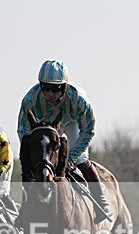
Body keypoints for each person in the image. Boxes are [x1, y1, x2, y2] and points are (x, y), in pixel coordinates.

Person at [17, 60, 113, 223]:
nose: (49, 93)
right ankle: (25, 210)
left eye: (55, 89)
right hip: (43, 127)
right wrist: (34, 155)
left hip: (71, 124)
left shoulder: (79, 100)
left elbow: (88, 130)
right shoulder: (30, 101)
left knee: (82, 159)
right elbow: (23, 131)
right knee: (34, 170)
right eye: (45, 88)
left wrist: (71, 157)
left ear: (64, 87)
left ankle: (101, 201)